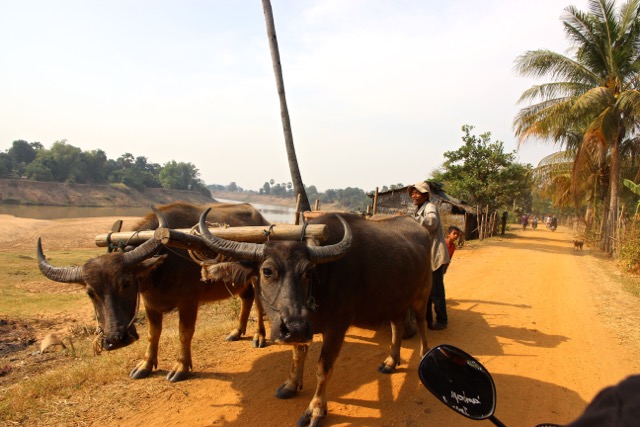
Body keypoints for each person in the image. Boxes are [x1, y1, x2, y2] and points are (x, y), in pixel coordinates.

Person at [407, 181, 450, 330]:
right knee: (427, 290)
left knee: (436, 291)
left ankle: (442, 321)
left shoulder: (430, 207)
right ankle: (428, 321)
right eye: (413, 193)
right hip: (426, 255)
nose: (414, 195)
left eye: (417, 192)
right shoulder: (418, 209)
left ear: (425, 195)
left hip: (435, 254)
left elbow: (432, 222)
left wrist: (411, 221)